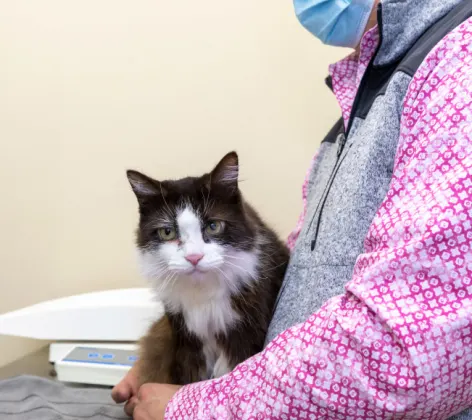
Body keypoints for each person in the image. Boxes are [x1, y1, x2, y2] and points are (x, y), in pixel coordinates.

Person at [112, 0, 472, 418]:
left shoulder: (458, 67)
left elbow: (408, 348)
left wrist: (195, 409)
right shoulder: (374, 87)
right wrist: (175, 349)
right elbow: (306, 277)